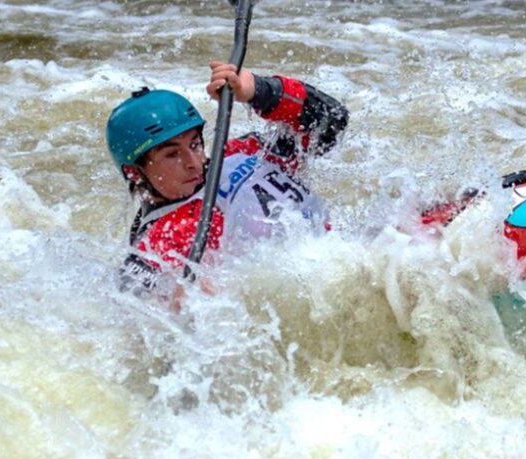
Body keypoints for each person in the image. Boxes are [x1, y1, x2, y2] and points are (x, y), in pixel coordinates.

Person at [105, 61, 349, 296]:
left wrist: (259, 91)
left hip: (353, 261)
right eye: (172, 155)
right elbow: (134, 310)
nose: (193, 162)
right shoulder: (153, 249)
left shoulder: (243, 152)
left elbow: (331, 122)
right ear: (134, 173)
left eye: (195, 144)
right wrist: (178, 303)